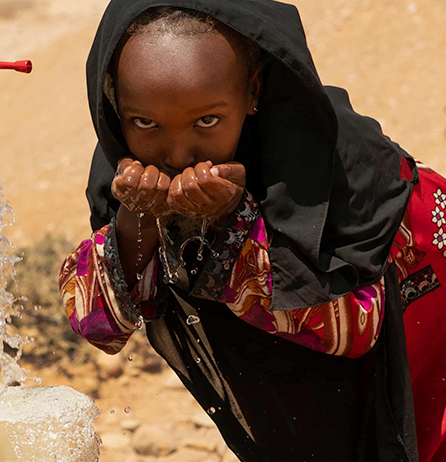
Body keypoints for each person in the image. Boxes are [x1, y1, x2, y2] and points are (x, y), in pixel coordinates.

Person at [58, 1, 446, 461]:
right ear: (114, 102)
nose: (178, 153)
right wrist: (136, 216)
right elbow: (100, 326)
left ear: (254, 90)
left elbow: (350, 331)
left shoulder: (338, 172)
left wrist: (234, 223)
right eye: (145, 123)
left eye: (207, 121)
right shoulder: (126, 168)